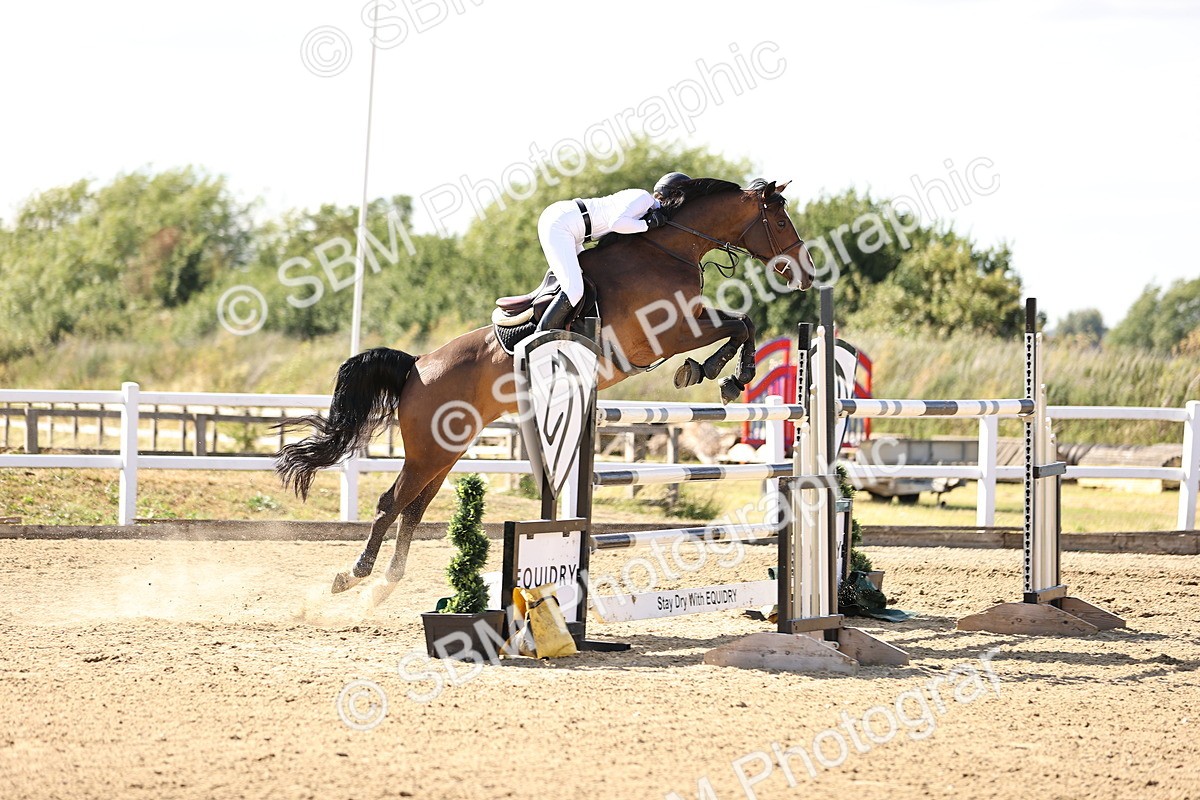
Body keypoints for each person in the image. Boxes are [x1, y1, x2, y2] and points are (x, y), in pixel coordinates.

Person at [533, 173, 692, 332]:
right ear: (673, 197)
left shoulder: (646, 206)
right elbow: (616, 223)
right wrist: (647, 225)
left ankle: (581, 333)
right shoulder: (644, 198)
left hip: (572, 229)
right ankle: (540, 337)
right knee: (574, 291)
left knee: (591, 282)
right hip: (561, 225)